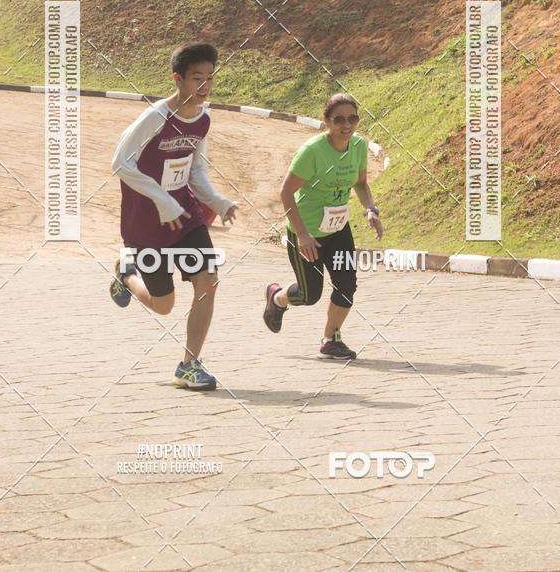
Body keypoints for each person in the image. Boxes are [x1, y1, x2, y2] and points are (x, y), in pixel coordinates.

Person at [110, 43, 237, 390]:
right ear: (177, 78)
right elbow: (120, 163)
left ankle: (189, 364)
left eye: (210, 78)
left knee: (208, 281)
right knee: (163, 306)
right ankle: (126, 275)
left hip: (186, 215)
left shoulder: (203, 119)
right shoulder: (154, 118)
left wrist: (216, 200)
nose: (205, 86)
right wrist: (160, 200)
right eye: (198, 78)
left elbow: (195, 170)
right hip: (146, 222)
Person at [263, 93, 383, 359]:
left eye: (352, 118)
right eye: (339, 119)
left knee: (346, 285)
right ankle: (277, 298)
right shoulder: (312, 152)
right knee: (309, 294)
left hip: (338, 229)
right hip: (307, 233)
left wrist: (370, 209)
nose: (347, 125)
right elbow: (286, 193)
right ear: (326, 120)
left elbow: (361, 184)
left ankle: (331, 339)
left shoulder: (358, 147)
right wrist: (303, 235)